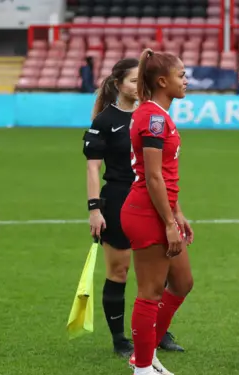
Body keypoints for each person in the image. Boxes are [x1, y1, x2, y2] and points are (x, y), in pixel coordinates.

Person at [83, 58, 184, 359]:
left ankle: (157, 330)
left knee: (161, 269)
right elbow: (92, 169)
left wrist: (175, 209)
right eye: (131, 81)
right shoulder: (104, 121)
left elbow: (163, 171)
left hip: (149, 198)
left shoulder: (150, 115)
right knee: (119, 271)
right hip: (116, 199)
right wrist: (94, 209)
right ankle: (119, 339)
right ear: (118, 85)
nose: (137, 86)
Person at [120, 48, 193, 375]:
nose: (185, 81)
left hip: (160, 211)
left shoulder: (158, 114)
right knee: (150, 291)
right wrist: (167, 221)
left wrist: (176, 213)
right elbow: (152, 177)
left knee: (182, 283)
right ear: (162, 81)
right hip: (146, 213)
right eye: (181, 75)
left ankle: (143, 356)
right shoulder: (152, 117)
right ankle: (143, 370)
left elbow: (165, 173)